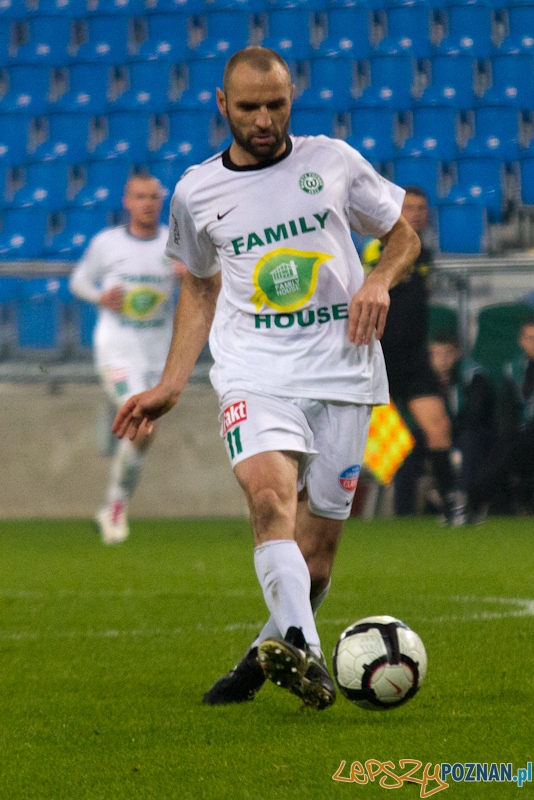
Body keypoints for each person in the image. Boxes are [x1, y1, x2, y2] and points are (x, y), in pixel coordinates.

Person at [112, 46, 420, 710]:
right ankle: (306, 655)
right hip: (254, 370)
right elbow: (199, 287)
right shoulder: (197, 191)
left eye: (275, 104)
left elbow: (404, 238)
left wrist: (377, 278)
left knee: (316, 559)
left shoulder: (332, 162)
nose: (263, 118)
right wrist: (170, 383)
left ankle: (261, 662)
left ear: (290, 98)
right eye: (248, 106)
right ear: (222, 105)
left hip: (343, 369)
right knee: (268, 501)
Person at [70, 174, 183, 544]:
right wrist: (100, 296)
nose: (148, 203)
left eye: (154, 197)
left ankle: (112, 504)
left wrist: (192, 274)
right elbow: (78, 282)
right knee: (141, 421)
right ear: (127, 201)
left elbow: (208, 278)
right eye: (140, 196)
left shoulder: (175, 243)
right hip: (116, 347)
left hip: (156, 353)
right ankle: (117, 507)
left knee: (143, 430)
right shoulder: (107, 243)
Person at [362, 187, 466, 525]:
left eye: (422, 208)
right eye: (410, 207)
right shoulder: (379, 248)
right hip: (375, 357)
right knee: (350, 436)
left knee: (439, 426)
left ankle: (451, 506)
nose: (418, 213)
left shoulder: (426, 254)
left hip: (413, 359)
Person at [468, 316, 534, 517]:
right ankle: (479, 498)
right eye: (530, 338)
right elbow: (507, 410)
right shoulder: (515, 370)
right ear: (520, 341)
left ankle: (475, 498)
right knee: (504, 446)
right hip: (521, 436)